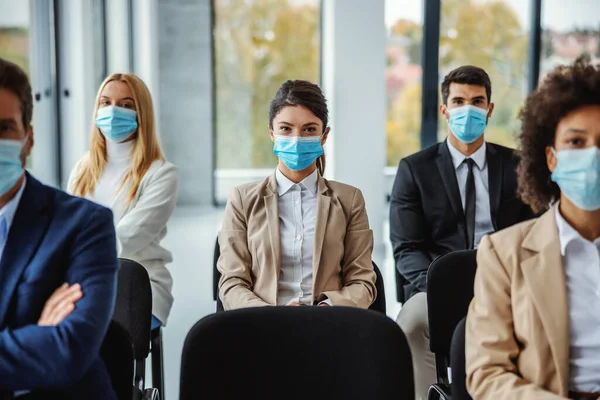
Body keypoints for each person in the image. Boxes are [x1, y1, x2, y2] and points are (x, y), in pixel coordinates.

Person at [389, 65, 534, 399]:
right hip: (436, 286)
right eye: (458, 101)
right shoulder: (415, 169)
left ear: (489, 108)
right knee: (411, 325)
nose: (468, 109)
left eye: (477, 101)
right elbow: (406, 249)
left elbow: (533, 236)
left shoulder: (518, 166)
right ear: (445, 109)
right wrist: (446, 287)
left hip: (507, 285)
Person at [466, 56, 600, 400]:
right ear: (551, 158)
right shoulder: (504, 253)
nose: (593, 156)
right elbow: (487, 373)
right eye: (576, 142)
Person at [0, 59, 118, 398]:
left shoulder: (84, 225)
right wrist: (35, 336)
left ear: (29, 139)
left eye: (4, 128)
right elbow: (47, 349)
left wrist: (47, 342)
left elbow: (68, 349)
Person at [218, 80, 377, 310]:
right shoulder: (242, 200)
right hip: (264, 326)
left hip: (329, 325)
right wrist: (273, 315)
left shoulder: (349, 200)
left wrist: (326, 309)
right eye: (286, 128)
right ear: (271, 133)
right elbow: (232, 283)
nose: (296, 138)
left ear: (324, 136)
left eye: (309, 129)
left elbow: (362, 281)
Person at [68, 73, 179, 330]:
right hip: (82, 281)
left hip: (135, 287)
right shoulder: (82, 169)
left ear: (141, 114)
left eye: (126, 104)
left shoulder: (162, 173)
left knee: (86, 332)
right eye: (105, 102)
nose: (113, 110)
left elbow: (128, 237)